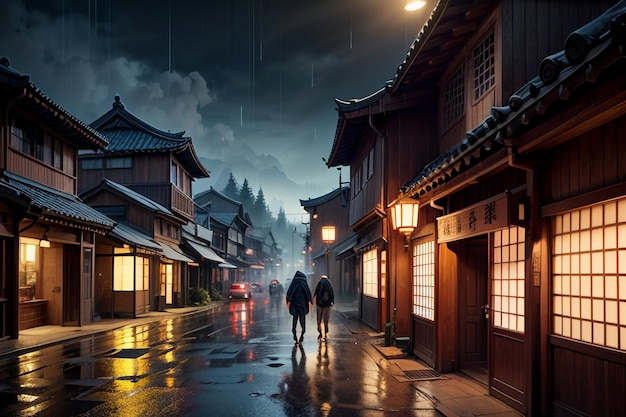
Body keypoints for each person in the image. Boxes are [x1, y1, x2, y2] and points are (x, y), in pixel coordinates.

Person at [285, 270, 313, 345]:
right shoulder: (304, 282)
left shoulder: (294, 283)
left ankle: (294, 335)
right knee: (302, 320)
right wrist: (310, 302)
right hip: (302, 305)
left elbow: (289, 294)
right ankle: (302, 335)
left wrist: (288, 302)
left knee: (295, 320)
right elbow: (308, 293)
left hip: (295, 305)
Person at [313, 274, 334, 341]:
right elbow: (332, 293)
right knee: (326, 319)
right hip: (327, 305)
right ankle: (325, 332)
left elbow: (315, 293)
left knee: (319, 319)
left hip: (319, 304)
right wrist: (332, 302)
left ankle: (320, 332)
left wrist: (315, 302)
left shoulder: (319, 283)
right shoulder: (329, 284)